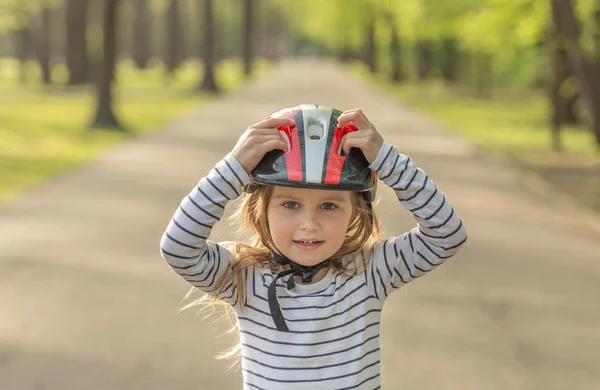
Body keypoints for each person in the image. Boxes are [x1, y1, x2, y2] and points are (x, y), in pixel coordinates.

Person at [160, 104, 467, 390]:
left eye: (329, 206)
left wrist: (388, 161)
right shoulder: (242, 276)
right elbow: (177, 247)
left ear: (356, 211)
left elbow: (447, 233)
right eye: (290, 204)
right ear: (260, 209)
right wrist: (234, 168)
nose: (309, 223)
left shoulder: (370, 271)